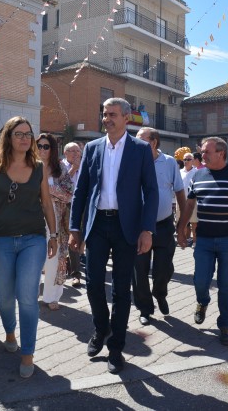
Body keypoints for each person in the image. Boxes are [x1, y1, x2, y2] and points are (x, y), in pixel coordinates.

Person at [69, 97, 158, 374]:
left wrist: (147, 230)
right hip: (97, 226)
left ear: (126, 118)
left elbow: (151, 191)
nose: (106, 118)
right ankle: (101, 327)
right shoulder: (93, 148)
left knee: (121, 290)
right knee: (94, 284)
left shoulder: (140, 149)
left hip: (126, 227)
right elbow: (81, 189)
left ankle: (116, 347)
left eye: (112, 114)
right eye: (104, 113)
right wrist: (75, 228)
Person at [0, 117, 57, 379]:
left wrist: (53, 234)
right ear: (8, 137)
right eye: (19, 133)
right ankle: (10, 331)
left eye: (28, 134)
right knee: (6, 297)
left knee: (27, 297)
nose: (25, 138)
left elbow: (46, 203)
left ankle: (28, 353)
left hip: (33, 240)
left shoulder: (39, 167)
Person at [176, 136, 228, 346]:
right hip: (203, 238)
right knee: (200, 281)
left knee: (226, 285)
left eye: (206, 152)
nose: (201, 156)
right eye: (202, 152)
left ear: (221, 153)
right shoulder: (198, 175)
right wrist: (181, 228)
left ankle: (224, 325)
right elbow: (189, 205)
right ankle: (202, 302)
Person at [132, 127, 185, 326]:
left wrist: (181, 224)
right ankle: (145, 308)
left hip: (163, 225)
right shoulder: (133, 161)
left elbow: (180, 193)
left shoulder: (170, 162)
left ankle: (159, 293)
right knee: (139, 269)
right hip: (138, 225)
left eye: (141, 139)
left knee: (164, 267)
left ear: (153, 142)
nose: (136, 143)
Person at [37, 133, 73, 311]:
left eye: (46, 146)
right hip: (31, 219)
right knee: (33, 258)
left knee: (54, 259)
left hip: (56, 220)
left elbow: (68, 193)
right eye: (39, 146)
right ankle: (31, 293)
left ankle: (52, 296)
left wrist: (46, 188)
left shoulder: (60, 168)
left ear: (52, 149)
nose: (42, 149)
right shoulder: (28, 166)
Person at [62, 142, 83, 286]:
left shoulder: (85, 165)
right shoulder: (60, 166)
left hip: (79, 205)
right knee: (62, 237)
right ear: (65, 153)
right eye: (72, 151)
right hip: (63, 204)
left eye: (78, 150)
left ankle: (76, 273)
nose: (76, 153)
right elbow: (60, 184)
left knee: (75, 236)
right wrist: (73, 169)